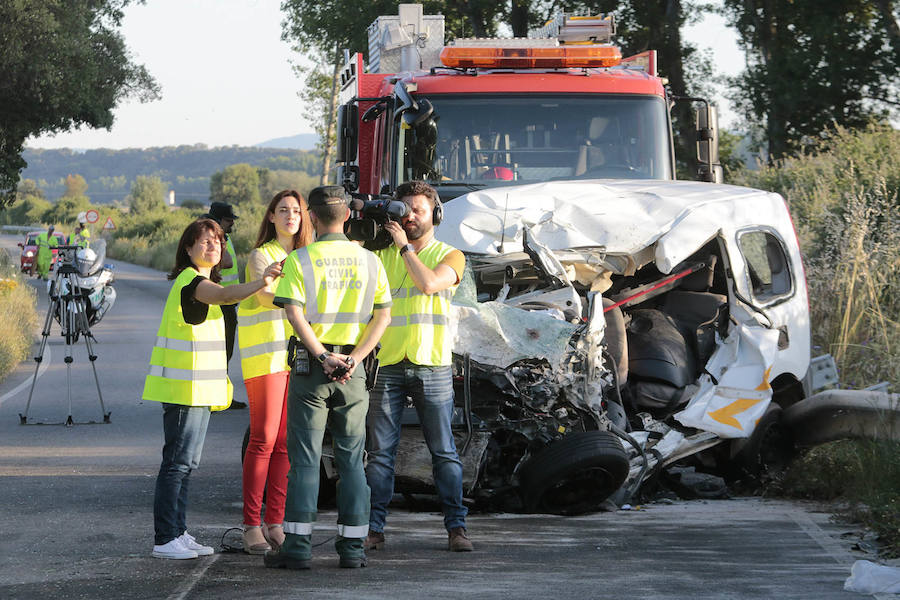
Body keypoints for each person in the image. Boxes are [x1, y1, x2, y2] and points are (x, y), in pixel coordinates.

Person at [264, 185, 392, 570]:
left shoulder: (300, 260)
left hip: (311, 367)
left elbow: (293, 311)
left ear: (312, 218)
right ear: (348, 217)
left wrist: (322, 354)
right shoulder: (371, 261)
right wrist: (352, 359)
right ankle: (352, 550)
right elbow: (382, 315)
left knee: (304, 459)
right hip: (353, 372)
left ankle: (298, 547)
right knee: (353, 460)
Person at [142, 218, 283, 560]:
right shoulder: (191, 281)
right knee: (176, 464)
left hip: (197, 391)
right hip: (182, 391)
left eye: (217, 242)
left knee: (186, 464)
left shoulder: (201, 280)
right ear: (187, 249)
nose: (212, 247)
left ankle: (178, 532)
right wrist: (261, 281)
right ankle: (166, 539)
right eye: (204, 241)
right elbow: (224, 295)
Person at [364, 180, 473, 552]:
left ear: (435, 215)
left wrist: (404, 247)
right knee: (380, 454)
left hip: (433, 365)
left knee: (443, 452)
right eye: (404, 210)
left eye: (419, 211)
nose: (410, 216)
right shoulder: (381, 256)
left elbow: (427, 284)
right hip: (390, 362)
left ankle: (457, 529)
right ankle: (374, 530)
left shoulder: (451, 255)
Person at [237, 190, 314, 554]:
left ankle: (275, 522)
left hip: (296, 359)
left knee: (285, 444)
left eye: (296, 210)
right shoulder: (260, 255)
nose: (290, 216)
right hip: (265, 358)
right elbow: (266, 296)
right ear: (270, 216)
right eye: (283, 210)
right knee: (263, 440)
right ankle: (251, 524)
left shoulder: (305, 256)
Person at [205, 201, 244, 408]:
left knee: (224, 352)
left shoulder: (220, 235)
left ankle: (223, 395)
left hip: (226, 300)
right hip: (219, 301)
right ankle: (216, 397)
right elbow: (226, 261)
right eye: (229, 220)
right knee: (220, 351)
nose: (232, 224)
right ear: (219, 220)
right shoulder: (214, 236)